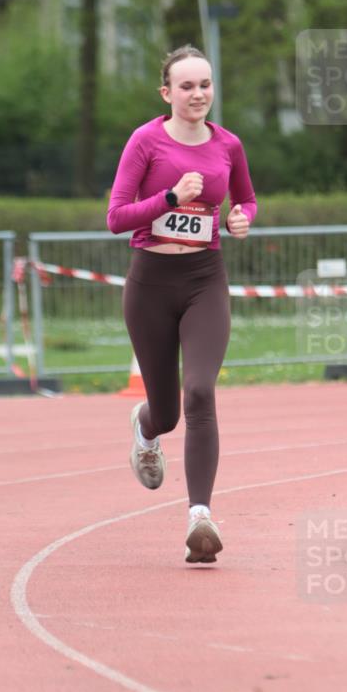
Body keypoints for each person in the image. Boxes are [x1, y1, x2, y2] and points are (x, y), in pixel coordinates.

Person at [107, 45, 257, 563]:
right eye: (187, 86)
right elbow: (117, 217)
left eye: (206, 85)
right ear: (166, 92)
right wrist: (170, 198)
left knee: (199, 392)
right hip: (149, 284)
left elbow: (246, 199)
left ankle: (200, 517)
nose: (198, 94)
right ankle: (146, 429)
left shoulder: (228, 145)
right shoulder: (145, 141)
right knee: (168, 411)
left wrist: (241, 220)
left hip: (203, 280)